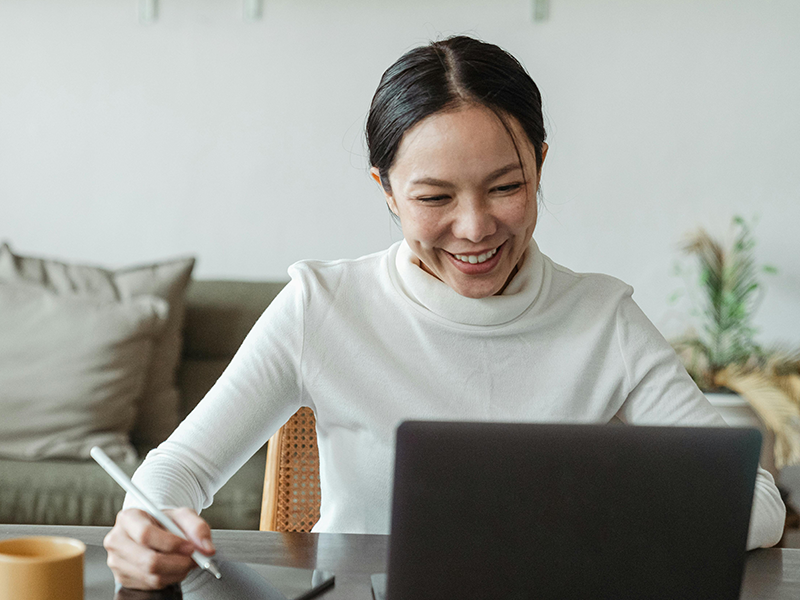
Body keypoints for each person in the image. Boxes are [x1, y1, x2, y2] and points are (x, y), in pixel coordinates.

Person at [104, 36, 786, 590]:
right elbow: (177, 470)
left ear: (540, 167)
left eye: (507, 186)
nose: (474, 228)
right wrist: (147, 524)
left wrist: (606, 522)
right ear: (388, 191)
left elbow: (757, 500)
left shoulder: (603, 319)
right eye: (434, 198)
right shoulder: (322, 307)